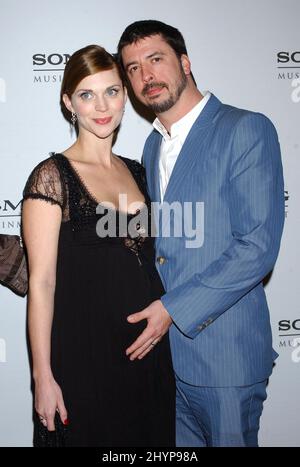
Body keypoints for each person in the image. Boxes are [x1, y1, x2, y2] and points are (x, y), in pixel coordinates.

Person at [117, 20, 285, 447]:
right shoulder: (152, 146)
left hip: (225, 359)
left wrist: (173, 309)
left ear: (185, 62)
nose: (146, 76)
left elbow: (257, 246)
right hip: (168, 362)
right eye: (133, 68)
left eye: (155, 60)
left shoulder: (245, 128)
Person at [22, 44, 175, 447]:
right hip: (83, 363)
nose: (101, 105)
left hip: (149, 360)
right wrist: (43, 377)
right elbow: (42, 284)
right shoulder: (52, 177)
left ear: (125, 94)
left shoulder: (141, 172)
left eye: (111, 91)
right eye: (87, 95)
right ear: (68, 102)